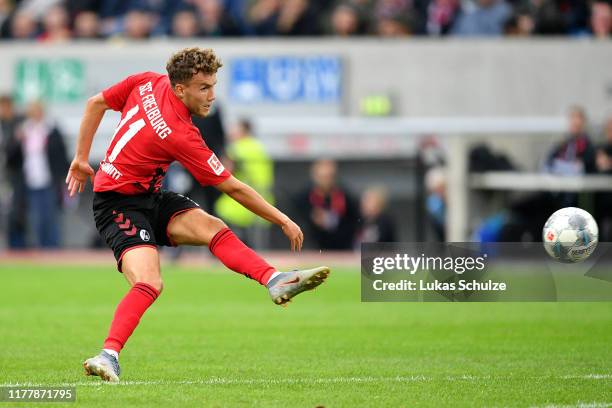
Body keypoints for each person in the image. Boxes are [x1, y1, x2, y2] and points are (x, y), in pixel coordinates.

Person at [65, 47, 330, 382]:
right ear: (180, 89)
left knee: (212, 227)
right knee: (149, 281)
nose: (212, 96)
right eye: (204, 88)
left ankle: (274, 280)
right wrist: (282, 219)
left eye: (214, 85)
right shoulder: (182, 134)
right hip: (116, 204)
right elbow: (233, 188)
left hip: (149, 195)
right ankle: (108, 355)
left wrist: (80, 158)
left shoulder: (147, 81)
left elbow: (95, 103)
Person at [214, 118, 274, 248]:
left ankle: (230, 246)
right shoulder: (259, 147)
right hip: (264, 200)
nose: (231, 132)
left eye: (235, 129)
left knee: (219, 211)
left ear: (243, 131)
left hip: (240, 203)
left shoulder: (236, 148)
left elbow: (222, 172)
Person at [18, 101, 69, 248]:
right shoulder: (25, 130)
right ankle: (39, 248)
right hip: (31, 180)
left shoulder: (51, 129)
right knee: (36, 217)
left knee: (51, 216)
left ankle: (53, 248)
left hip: (49, 180)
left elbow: (61, 154)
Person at [296, 159, 358, 250]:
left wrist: (334, 221)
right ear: (315, 176)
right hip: (312, 248)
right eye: (322, 177)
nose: (326, 181)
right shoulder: (303, 197)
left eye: (329, 176)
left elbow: (354, 221)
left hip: (341, 248)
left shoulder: (345, 196)